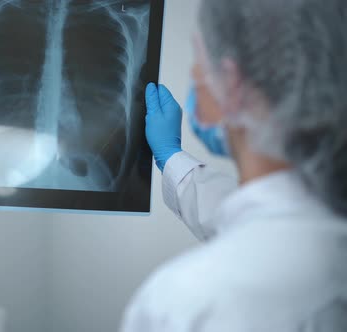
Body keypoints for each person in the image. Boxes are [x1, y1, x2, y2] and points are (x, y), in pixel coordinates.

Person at [121, 0, 347, 331]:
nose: (196, 75)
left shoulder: (181, 304)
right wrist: (172, 158)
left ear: (232, 83)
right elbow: (270, 224)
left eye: (201, 60)